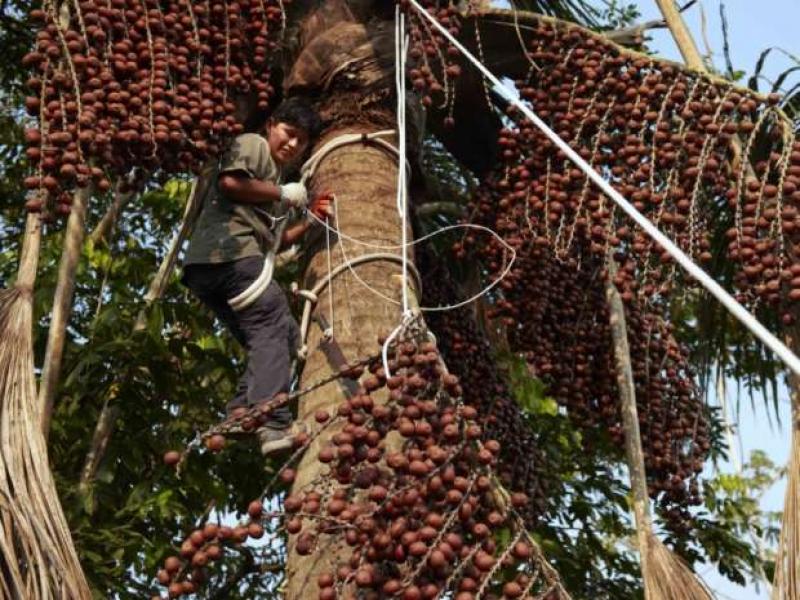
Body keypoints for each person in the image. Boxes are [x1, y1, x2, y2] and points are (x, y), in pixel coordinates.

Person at [181, 97, 330, 455]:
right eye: (288, 133)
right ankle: (274, 425)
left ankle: (240, 411)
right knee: (272, 322)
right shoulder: (253, 145)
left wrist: (309, 220)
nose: (292, 144)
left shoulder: (276, 184)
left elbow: (274, 242)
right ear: (271, 125)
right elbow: (229, 183)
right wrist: (282, 192)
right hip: (228, 256)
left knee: (286, 339)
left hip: (212, 272)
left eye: (301, 141)